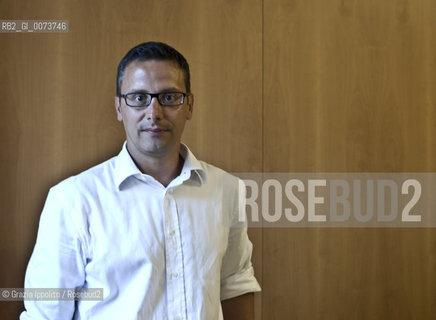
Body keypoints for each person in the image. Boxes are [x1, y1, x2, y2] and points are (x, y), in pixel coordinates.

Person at [21, 41, 261, 319]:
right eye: (138, 98)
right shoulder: (73, 200)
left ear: (190, 105)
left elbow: (235, 285)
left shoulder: (225, 190)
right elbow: (44, 314)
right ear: (119, 108)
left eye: (169, 97)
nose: (154, 112)